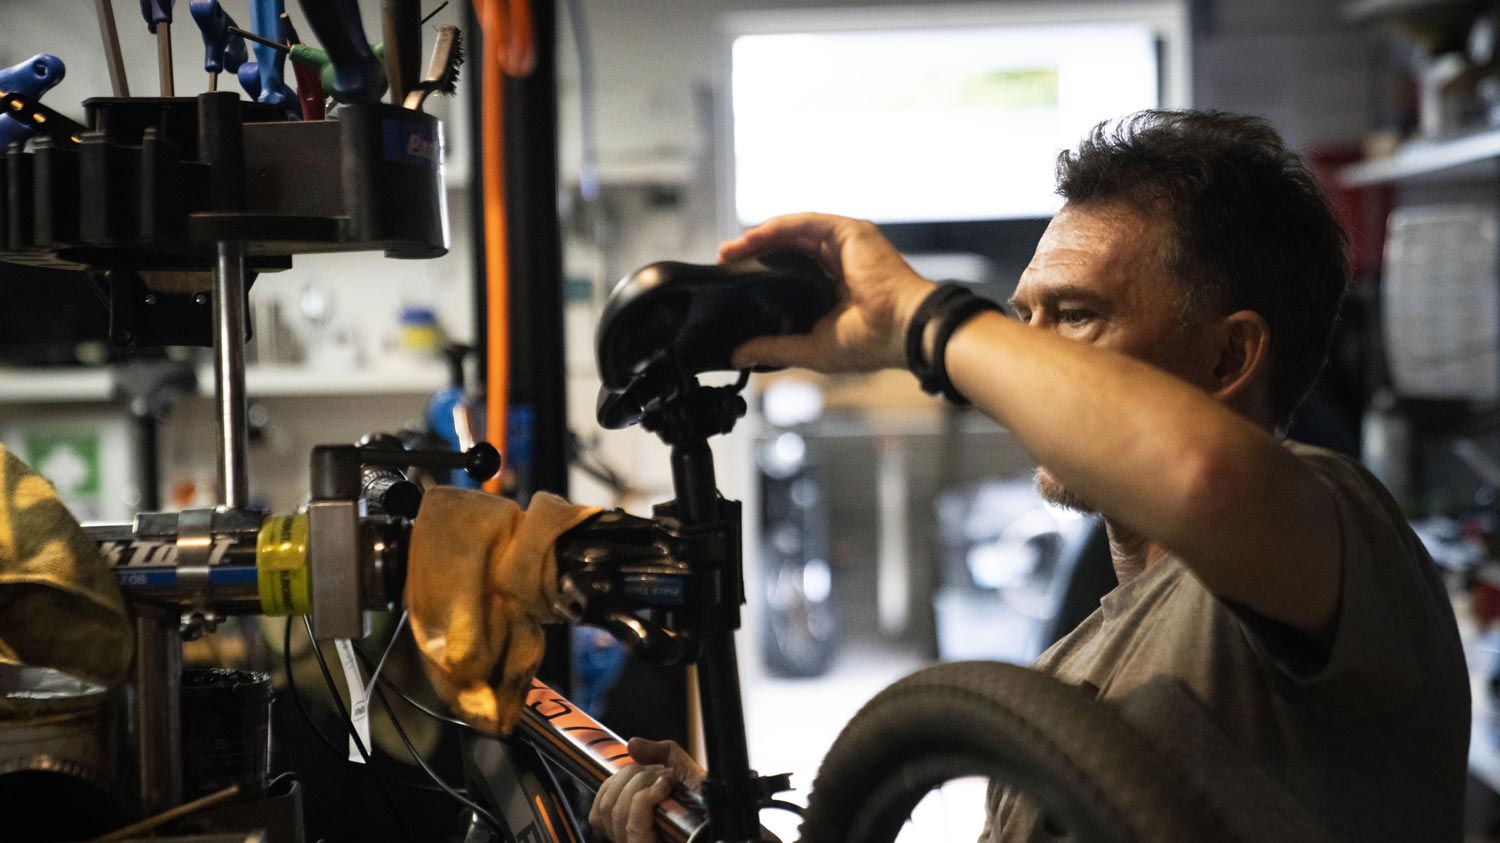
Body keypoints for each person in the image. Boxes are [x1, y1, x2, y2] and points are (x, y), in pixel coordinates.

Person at [588, 110, 1470, 842]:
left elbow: (1207, 478)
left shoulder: (1341, 541)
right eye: (1023, 319)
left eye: (1076, 316)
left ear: (1229, 355)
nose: (1026, 360)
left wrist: (918, 321)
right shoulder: (1074, 664)